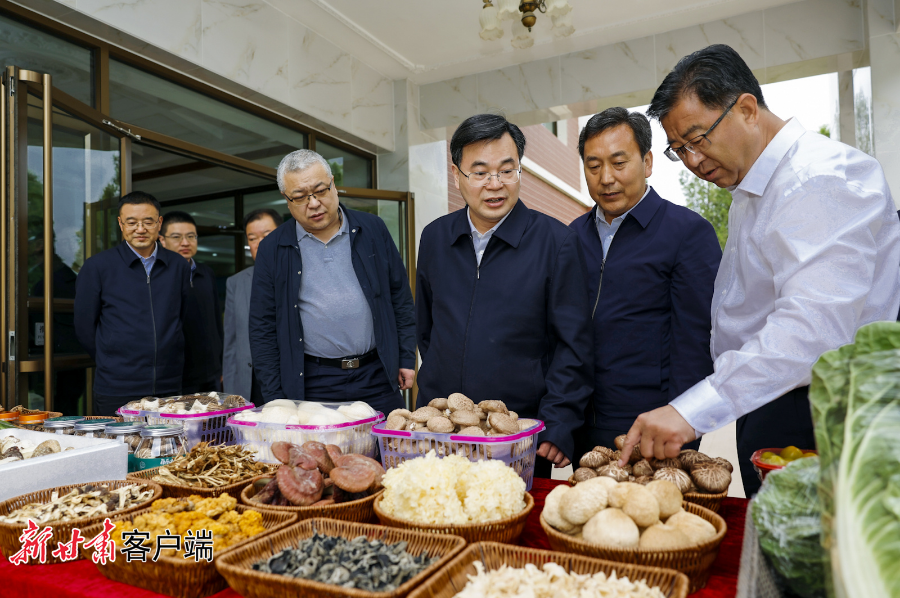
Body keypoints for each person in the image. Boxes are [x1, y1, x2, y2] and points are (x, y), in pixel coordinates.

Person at [620, 44, 900, 495]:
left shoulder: (816, 179)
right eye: (679, 150)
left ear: (747, 109)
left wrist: (694, 409)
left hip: (824, 411)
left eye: (698, 139)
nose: (692, 162)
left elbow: (812, 330)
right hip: (771, 396)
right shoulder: (753, 185)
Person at [415, 113, 594, 478]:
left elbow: (573, 347)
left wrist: (558, 421)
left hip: (517, 434)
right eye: (480, 172)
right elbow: (427, 329)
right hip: (441, 428)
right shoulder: (435, 237)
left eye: (506, 170)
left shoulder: (557, 242)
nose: (494, 184)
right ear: (457, 175)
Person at [570, 107, 721, 460]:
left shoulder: (687, 232)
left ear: (647, 162)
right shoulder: (571, 237)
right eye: (594, 166)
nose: (606, 178)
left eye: (619, 163)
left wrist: (682, 421)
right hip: (582, 422)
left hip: (653, 425)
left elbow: (697, 342)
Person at [249, 149, 415, 414]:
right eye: (300, 197)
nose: (314, 203)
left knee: (387, 440)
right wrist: (275, 396)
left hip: (377, 374)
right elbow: (262, 326)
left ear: (334, 185)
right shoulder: (273, 248)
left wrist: (406, 357)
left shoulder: (372, 229)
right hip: (312, 381)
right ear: (287, 200)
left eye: (320, 190)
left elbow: (400, 298)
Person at [74, 191, 190, 416]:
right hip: (117, 386)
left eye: (148, 222)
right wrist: (111, 359)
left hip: (168, 386)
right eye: (132, 222)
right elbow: (84, 326)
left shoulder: (178, 266)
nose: (140, 229)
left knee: (167, 440)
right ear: (120, 224)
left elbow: (183, 318)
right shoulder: (97, 266)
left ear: (159, 223)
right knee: (119, 440)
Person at [159, 211, 223, 394]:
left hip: (210, 373)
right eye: (176, 237)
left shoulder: (206, 273)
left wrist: (220, 365)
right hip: (176, 376)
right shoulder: (156, 277)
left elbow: (216, 322)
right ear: (162, 240)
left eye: (191, 236)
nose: (185, 242)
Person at [223, 208, 283, 401]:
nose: (260, 243)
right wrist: (231, 393)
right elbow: (231, 344)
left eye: (267, 235)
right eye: (252, 238)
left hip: (289, 379)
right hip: (251, 382)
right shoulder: (236, 282)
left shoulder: (298, 274)